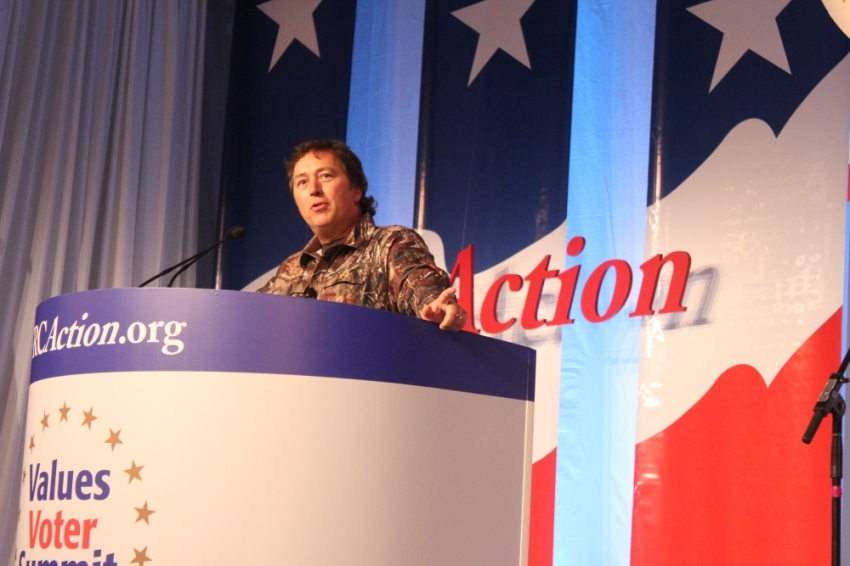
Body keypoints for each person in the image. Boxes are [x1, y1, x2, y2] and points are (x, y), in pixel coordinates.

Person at [257, 139, 467, 331]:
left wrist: (435, 305)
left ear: (356, 190)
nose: (313, 189)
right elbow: (249, 319)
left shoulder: (390, 244)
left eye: (325, 176)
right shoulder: (290, 269)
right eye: (302, 182)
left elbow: (421, 286)